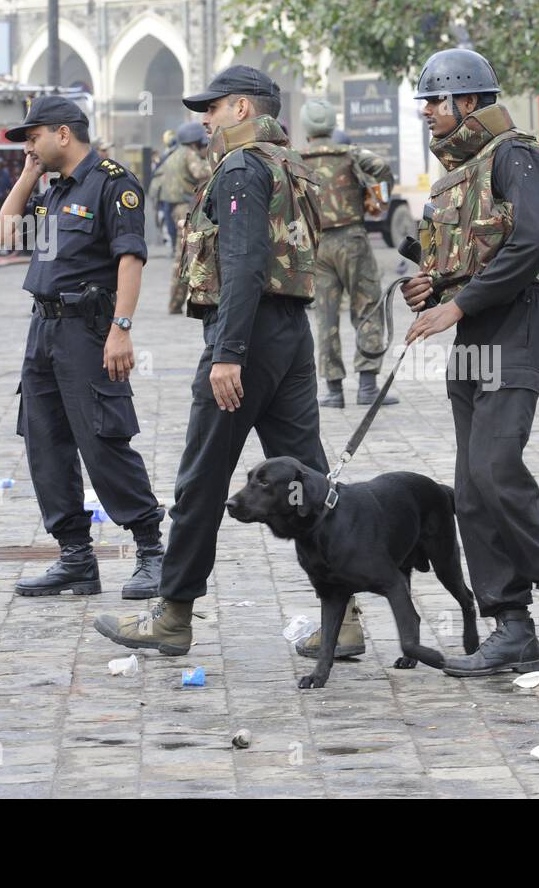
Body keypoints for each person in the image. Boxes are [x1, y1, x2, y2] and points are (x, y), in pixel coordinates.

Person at [93, 65, 336, 659]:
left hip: (245, 338)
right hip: (290, 336)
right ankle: (344, 616)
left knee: (201, 478)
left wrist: (228, 353)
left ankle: (173, 615)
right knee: (310, 481)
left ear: (245, 110)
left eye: (216, 107)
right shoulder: (291, 164)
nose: (205, 118)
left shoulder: (242, 166)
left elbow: (246, 262)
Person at [401, 48, 539, 676]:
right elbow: (462, 262)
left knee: (495, 468)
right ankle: (509, 624)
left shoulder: (520, 156)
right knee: (469, 489)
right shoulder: (457, 176)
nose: (428, 112)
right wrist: (430, 288)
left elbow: (526, 247)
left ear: (469, 100)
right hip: (473, 334)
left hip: (517, 325)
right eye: (426, 102)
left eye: (436, 100)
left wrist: (455, 310)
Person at [0, 96, 166, 599]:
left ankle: (152, 551)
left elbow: (130, 260)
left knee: (102, 441)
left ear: (63, 133)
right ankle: (75, 558)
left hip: (89, 332)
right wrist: (28, 173)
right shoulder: (53, 188)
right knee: (44, 442)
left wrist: (122, 327)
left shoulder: (113, 183)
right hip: (43, 330)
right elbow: (4, 233)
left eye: (34, 136)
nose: (29, 144)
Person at [298, 97, 397, 409]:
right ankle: (367, 386)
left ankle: (333, 390)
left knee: (325, 316)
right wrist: (376, 198)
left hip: (315, 244)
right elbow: (381, 168)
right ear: (331, 124)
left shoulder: (295, 159)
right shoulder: (351, 153)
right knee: (367, 308)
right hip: (352, 239)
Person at [162, 121, 212, 314]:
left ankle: (175, 302)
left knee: (182, 254)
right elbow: (200, 172)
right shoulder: (189, 154)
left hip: (175, 207)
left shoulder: (173, 154)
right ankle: (177, 302)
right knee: (184, 255)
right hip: (186, 208)